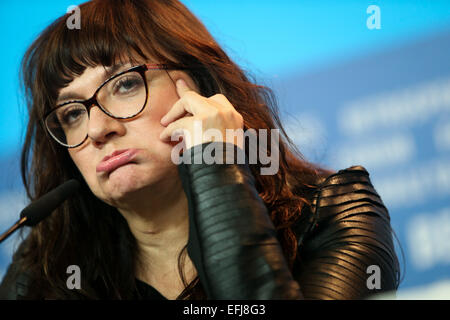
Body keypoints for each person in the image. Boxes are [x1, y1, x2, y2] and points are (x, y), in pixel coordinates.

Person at [0, 0, 400, 300]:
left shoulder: (332, 214)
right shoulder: (43, 273)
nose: (99, 128)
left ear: (200, 89)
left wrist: (213, 161)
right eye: (72, 113)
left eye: (124, 85)